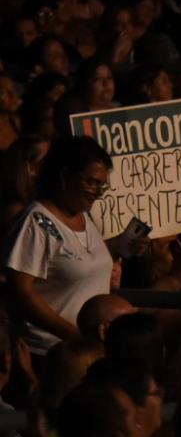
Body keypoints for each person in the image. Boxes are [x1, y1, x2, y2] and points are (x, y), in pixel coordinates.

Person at [3, 136, 115, 354]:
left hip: (88, 350)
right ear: (65, 177)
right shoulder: (37, 222)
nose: (96, 192)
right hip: (52, 353)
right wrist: (74, 335)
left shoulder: (85, 217)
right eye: (90, 182)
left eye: (101, 185)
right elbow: (22, 291)